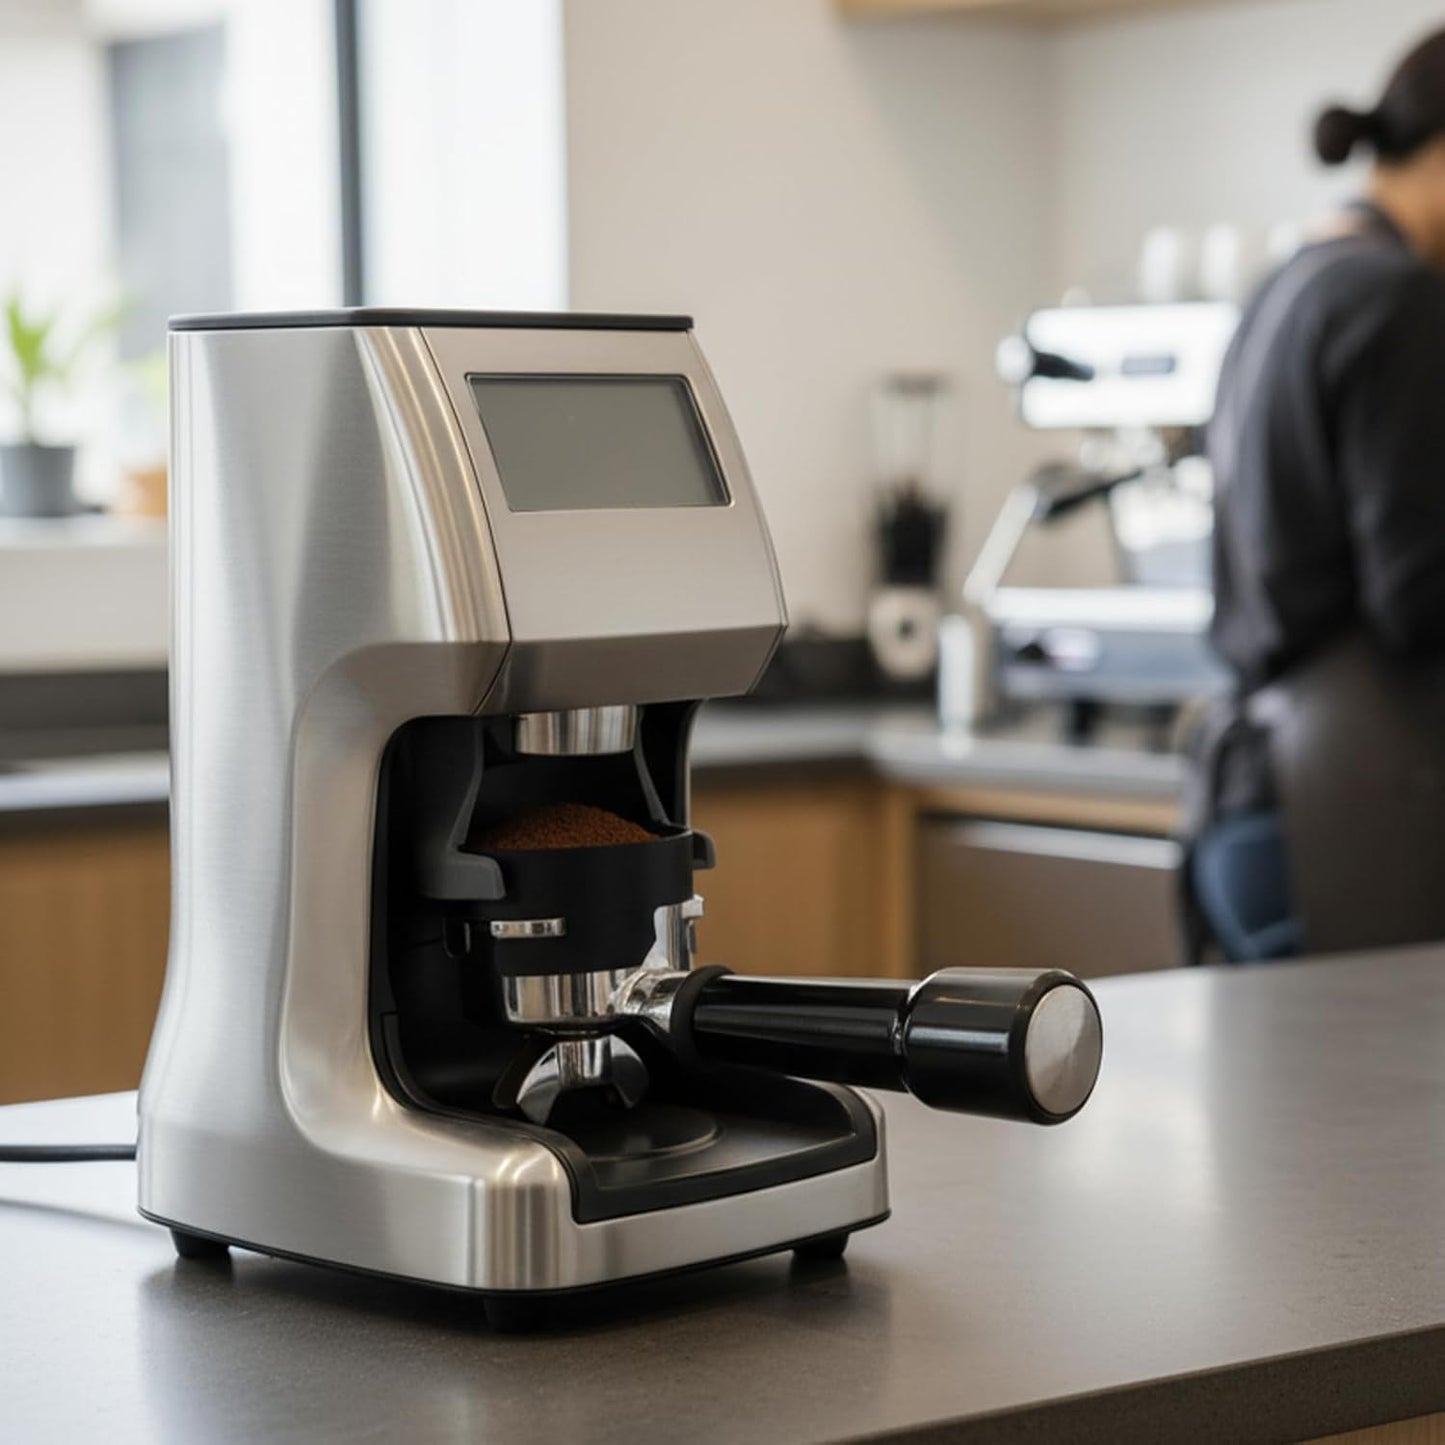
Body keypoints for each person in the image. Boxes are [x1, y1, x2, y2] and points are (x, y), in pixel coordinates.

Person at [1188, 27, 1445, 961]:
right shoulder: (1397, 300)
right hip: (1349, 809)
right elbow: (1417, 596)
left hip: (1248, 798)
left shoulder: (1288, 284)